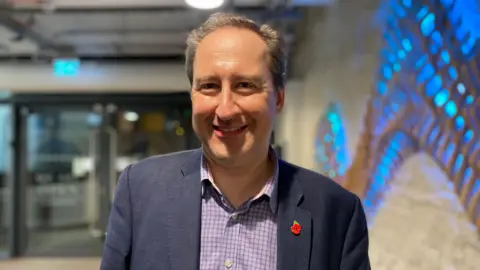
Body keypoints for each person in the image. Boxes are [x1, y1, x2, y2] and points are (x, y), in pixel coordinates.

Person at [100, 12, 370, 270]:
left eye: (245, 86)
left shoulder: (337, 212)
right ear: (193, 95)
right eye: (209, 86)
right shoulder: (140, 190)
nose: (225, 110)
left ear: (278, 98)